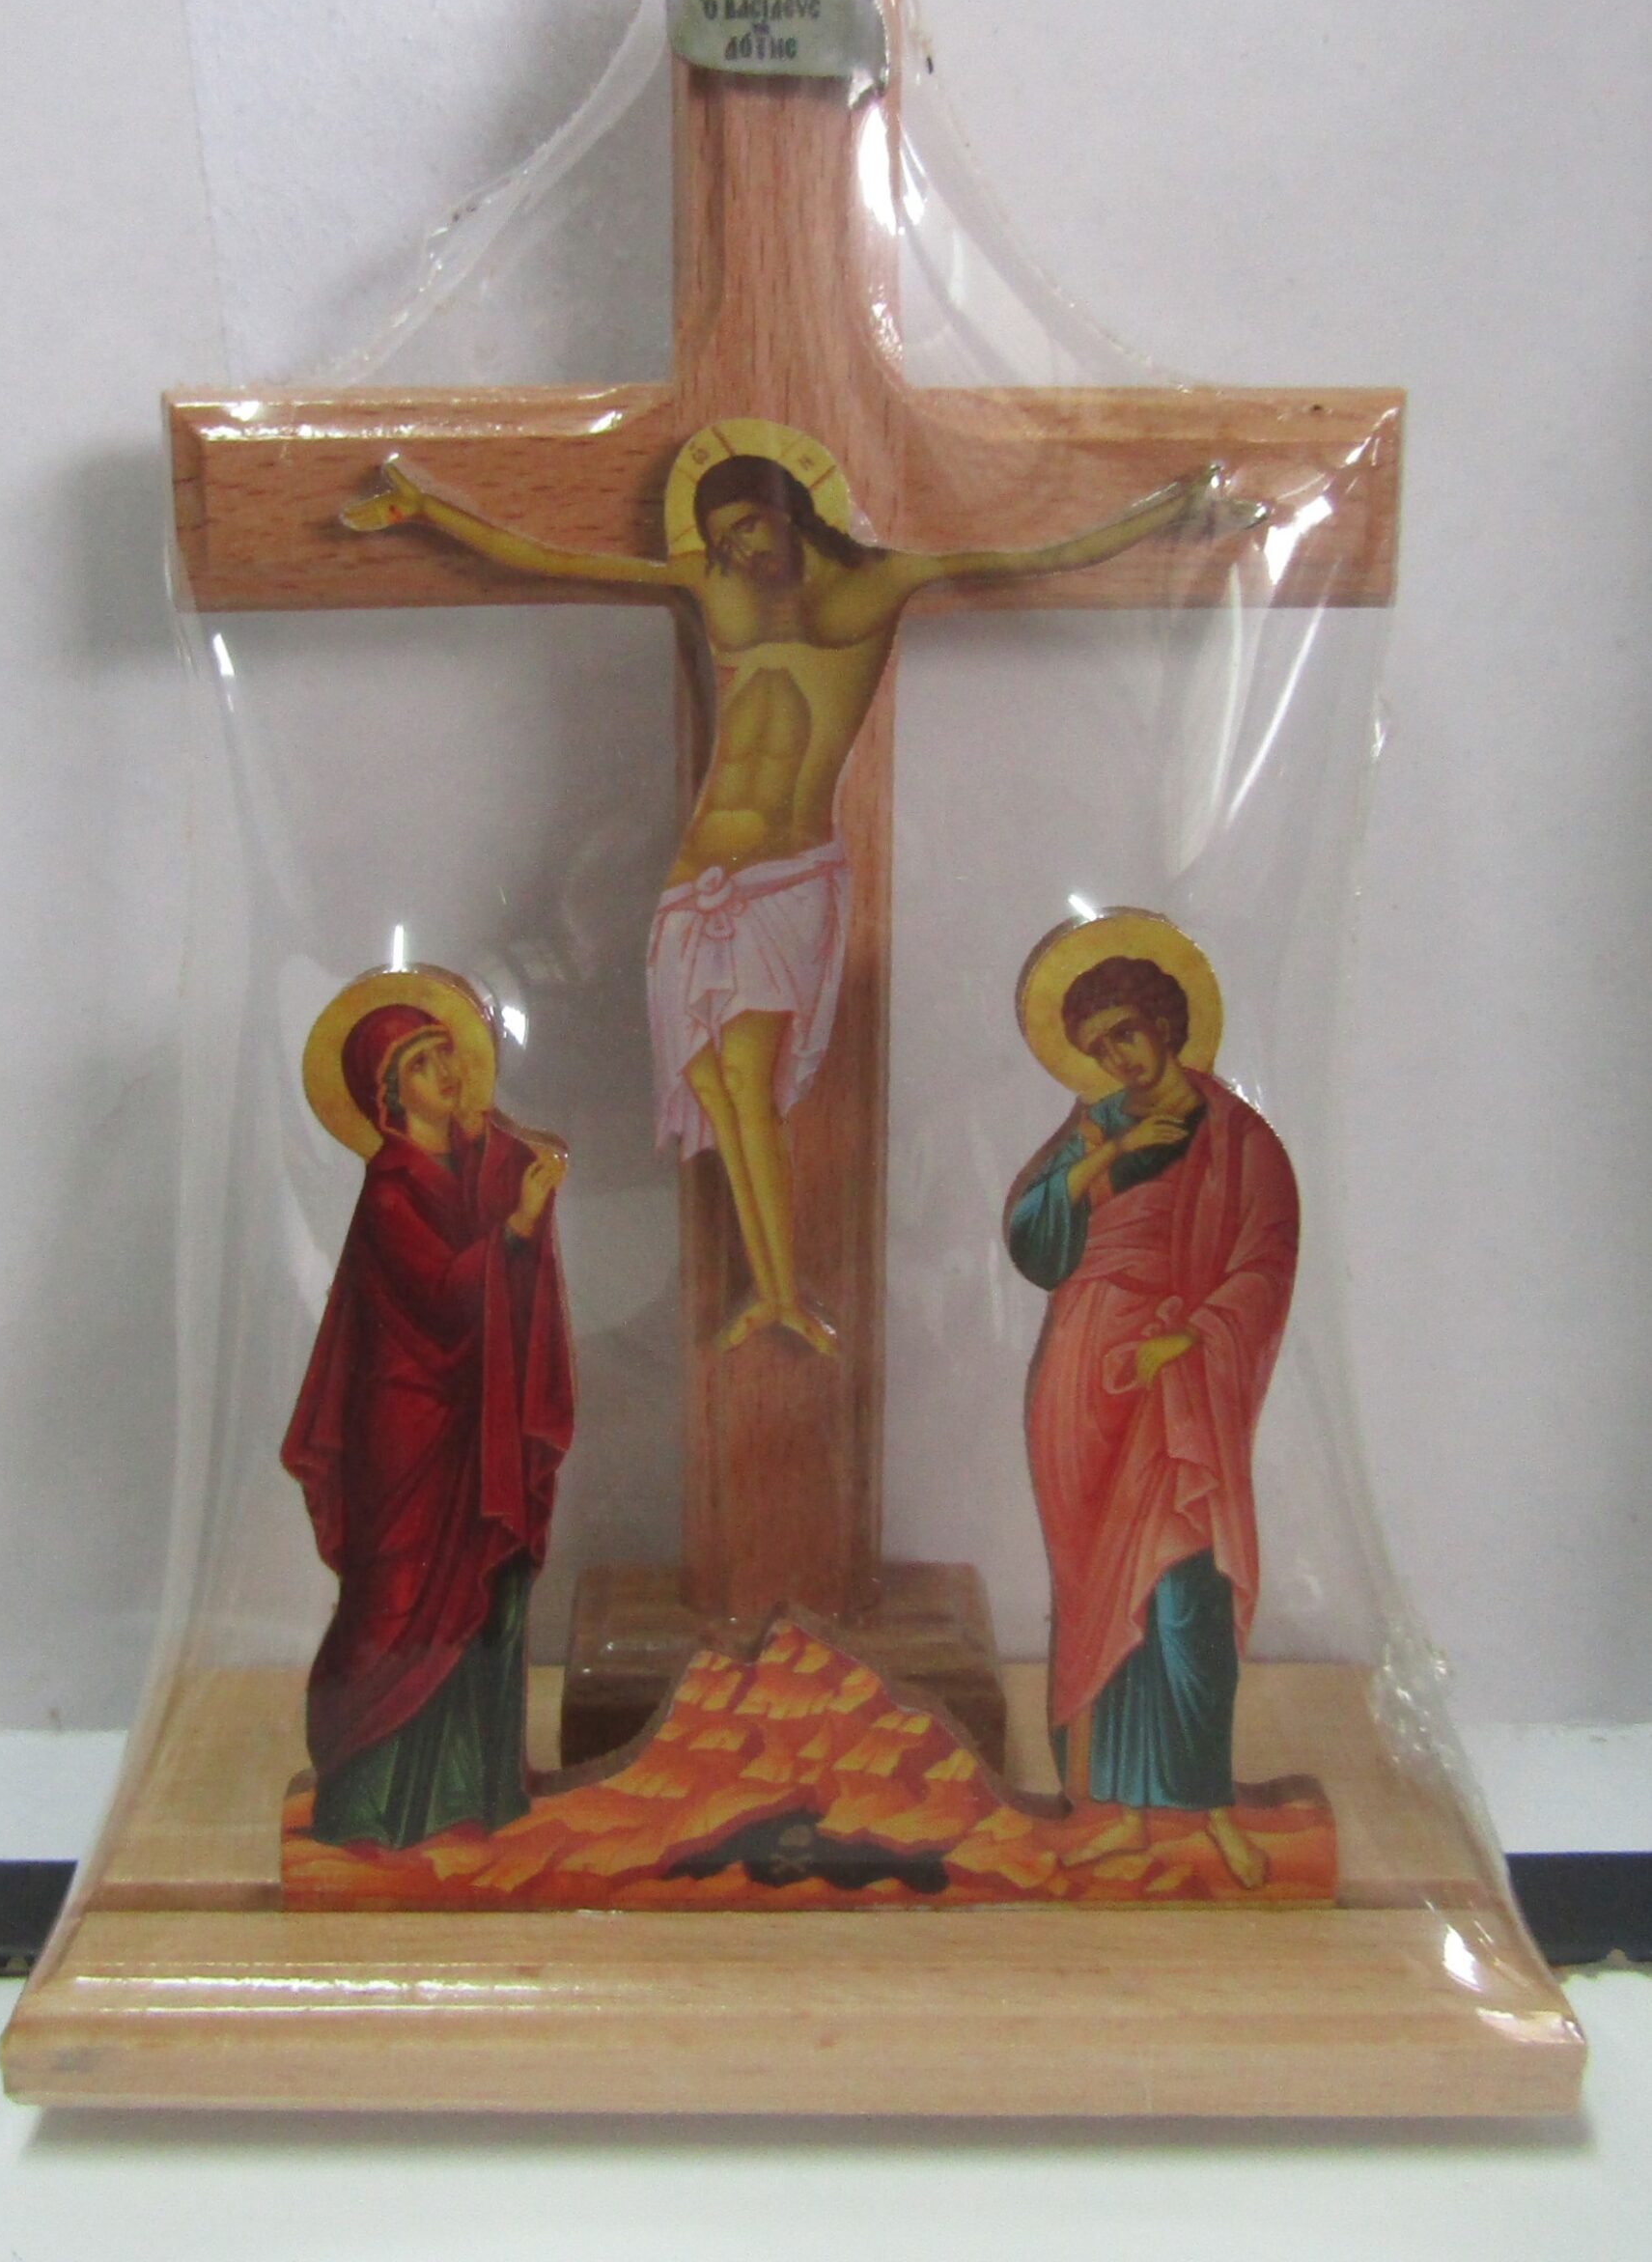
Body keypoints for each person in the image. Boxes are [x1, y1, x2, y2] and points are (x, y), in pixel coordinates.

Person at [346, 432, 1247, 1354]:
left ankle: (781, 1293)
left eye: (748, 526)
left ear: (793, 508)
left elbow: (1036, 555)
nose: (740, 551)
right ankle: (768, 1287)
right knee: (713, 1084)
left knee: (751, 1084)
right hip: (695, 882)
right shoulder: (715, 589)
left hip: (786, 876)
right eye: (722, 540)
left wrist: (1173, 509)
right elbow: (555, 559)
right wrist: (431, 511)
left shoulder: (882, 581)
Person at [1006, 946, 1298, 1889]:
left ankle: (1207, 1812)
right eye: (1098, 1047)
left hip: (1178, 1382)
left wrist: (1191, 1337)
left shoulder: (1239, 1139)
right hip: (1085, 1378)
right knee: (1098, 1590)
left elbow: (1264, 1262)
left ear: (1166, 1022)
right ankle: (1116, 1813)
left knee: (1185, 1592)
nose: (1118, 1058)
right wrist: (1108, 1155)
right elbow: (1033, 1242)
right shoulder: (1094, 1127)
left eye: (1126, 1033)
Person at [283, 991, 573, 1849]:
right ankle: (367, 1805)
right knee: (399, 1603)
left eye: (448, 1052)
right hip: (408, 1435)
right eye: (420, 1063)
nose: (446, 1072)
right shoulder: (389, 1193)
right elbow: (445, 1294)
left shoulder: (477, 1166)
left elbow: (501, 1245)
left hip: (477, 1427)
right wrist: (518, 1223)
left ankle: (465, 1799)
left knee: (485, 1592)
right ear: (387, 1096)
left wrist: (521, 1189)